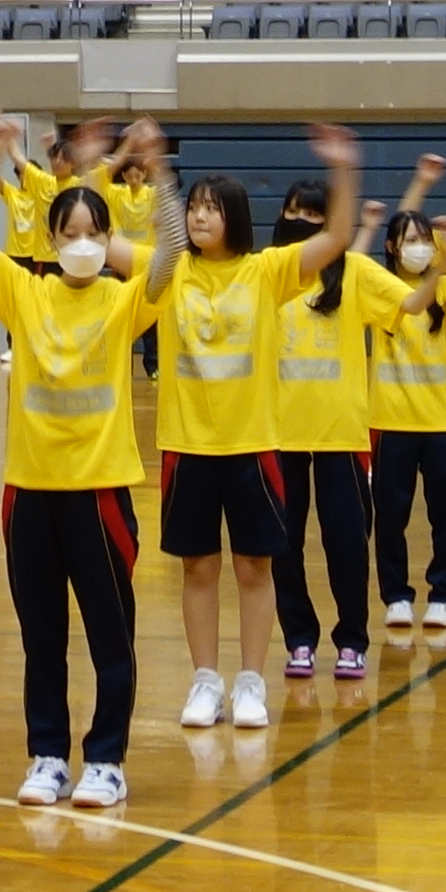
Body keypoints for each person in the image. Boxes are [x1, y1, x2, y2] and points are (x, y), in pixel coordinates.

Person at [148, 119, 355, 731]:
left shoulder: (267, 271)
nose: (199, 216)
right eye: (193, 207)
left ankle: (249, 684)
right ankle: (205, 682)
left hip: (254, 447)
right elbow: (104, 246)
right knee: (197, 568)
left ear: (234, 215)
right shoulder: (171, 271)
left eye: (211, 208)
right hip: (186, 447)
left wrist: (342, 165)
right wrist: (144, 168)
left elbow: (339, 235)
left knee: (253, 568)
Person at [0, 112, 147, 808]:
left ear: (108, 239)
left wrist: (145, 171)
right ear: (48, 241)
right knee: (42, 636)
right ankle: (47, 755)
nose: (80, 244)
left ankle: (106, 759)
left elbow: (169, 259)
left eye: (93, 233)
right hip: (29, 494)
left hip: (99, 493)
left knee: (110, 635)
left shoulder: (124, 300)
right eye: (68, 233)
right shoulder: (24, 291)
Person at [259, 159, 392, 685]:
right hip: (277, 432)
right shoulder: (266, 271)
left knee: (347, 542)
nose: (303, 222)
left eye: (315, 215)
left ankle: (352, 640)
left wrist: (442, 273)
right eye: (294, 212)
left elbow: (407, 303)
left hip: (341, 432)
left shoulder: (355, 272)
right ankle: (298, 638)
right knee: (282, 544)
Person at [369, 168, 446, 634]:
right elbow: (407, 301)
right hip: (391, 422)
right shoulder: (379, 288)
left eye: (426, 240)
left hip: (442, 421)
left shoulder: (443, 289)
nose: (420, 247)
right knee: (391, 516)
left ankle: (444, 595)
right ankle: (396, 596)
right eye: (410, 240)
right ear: (392, 246)